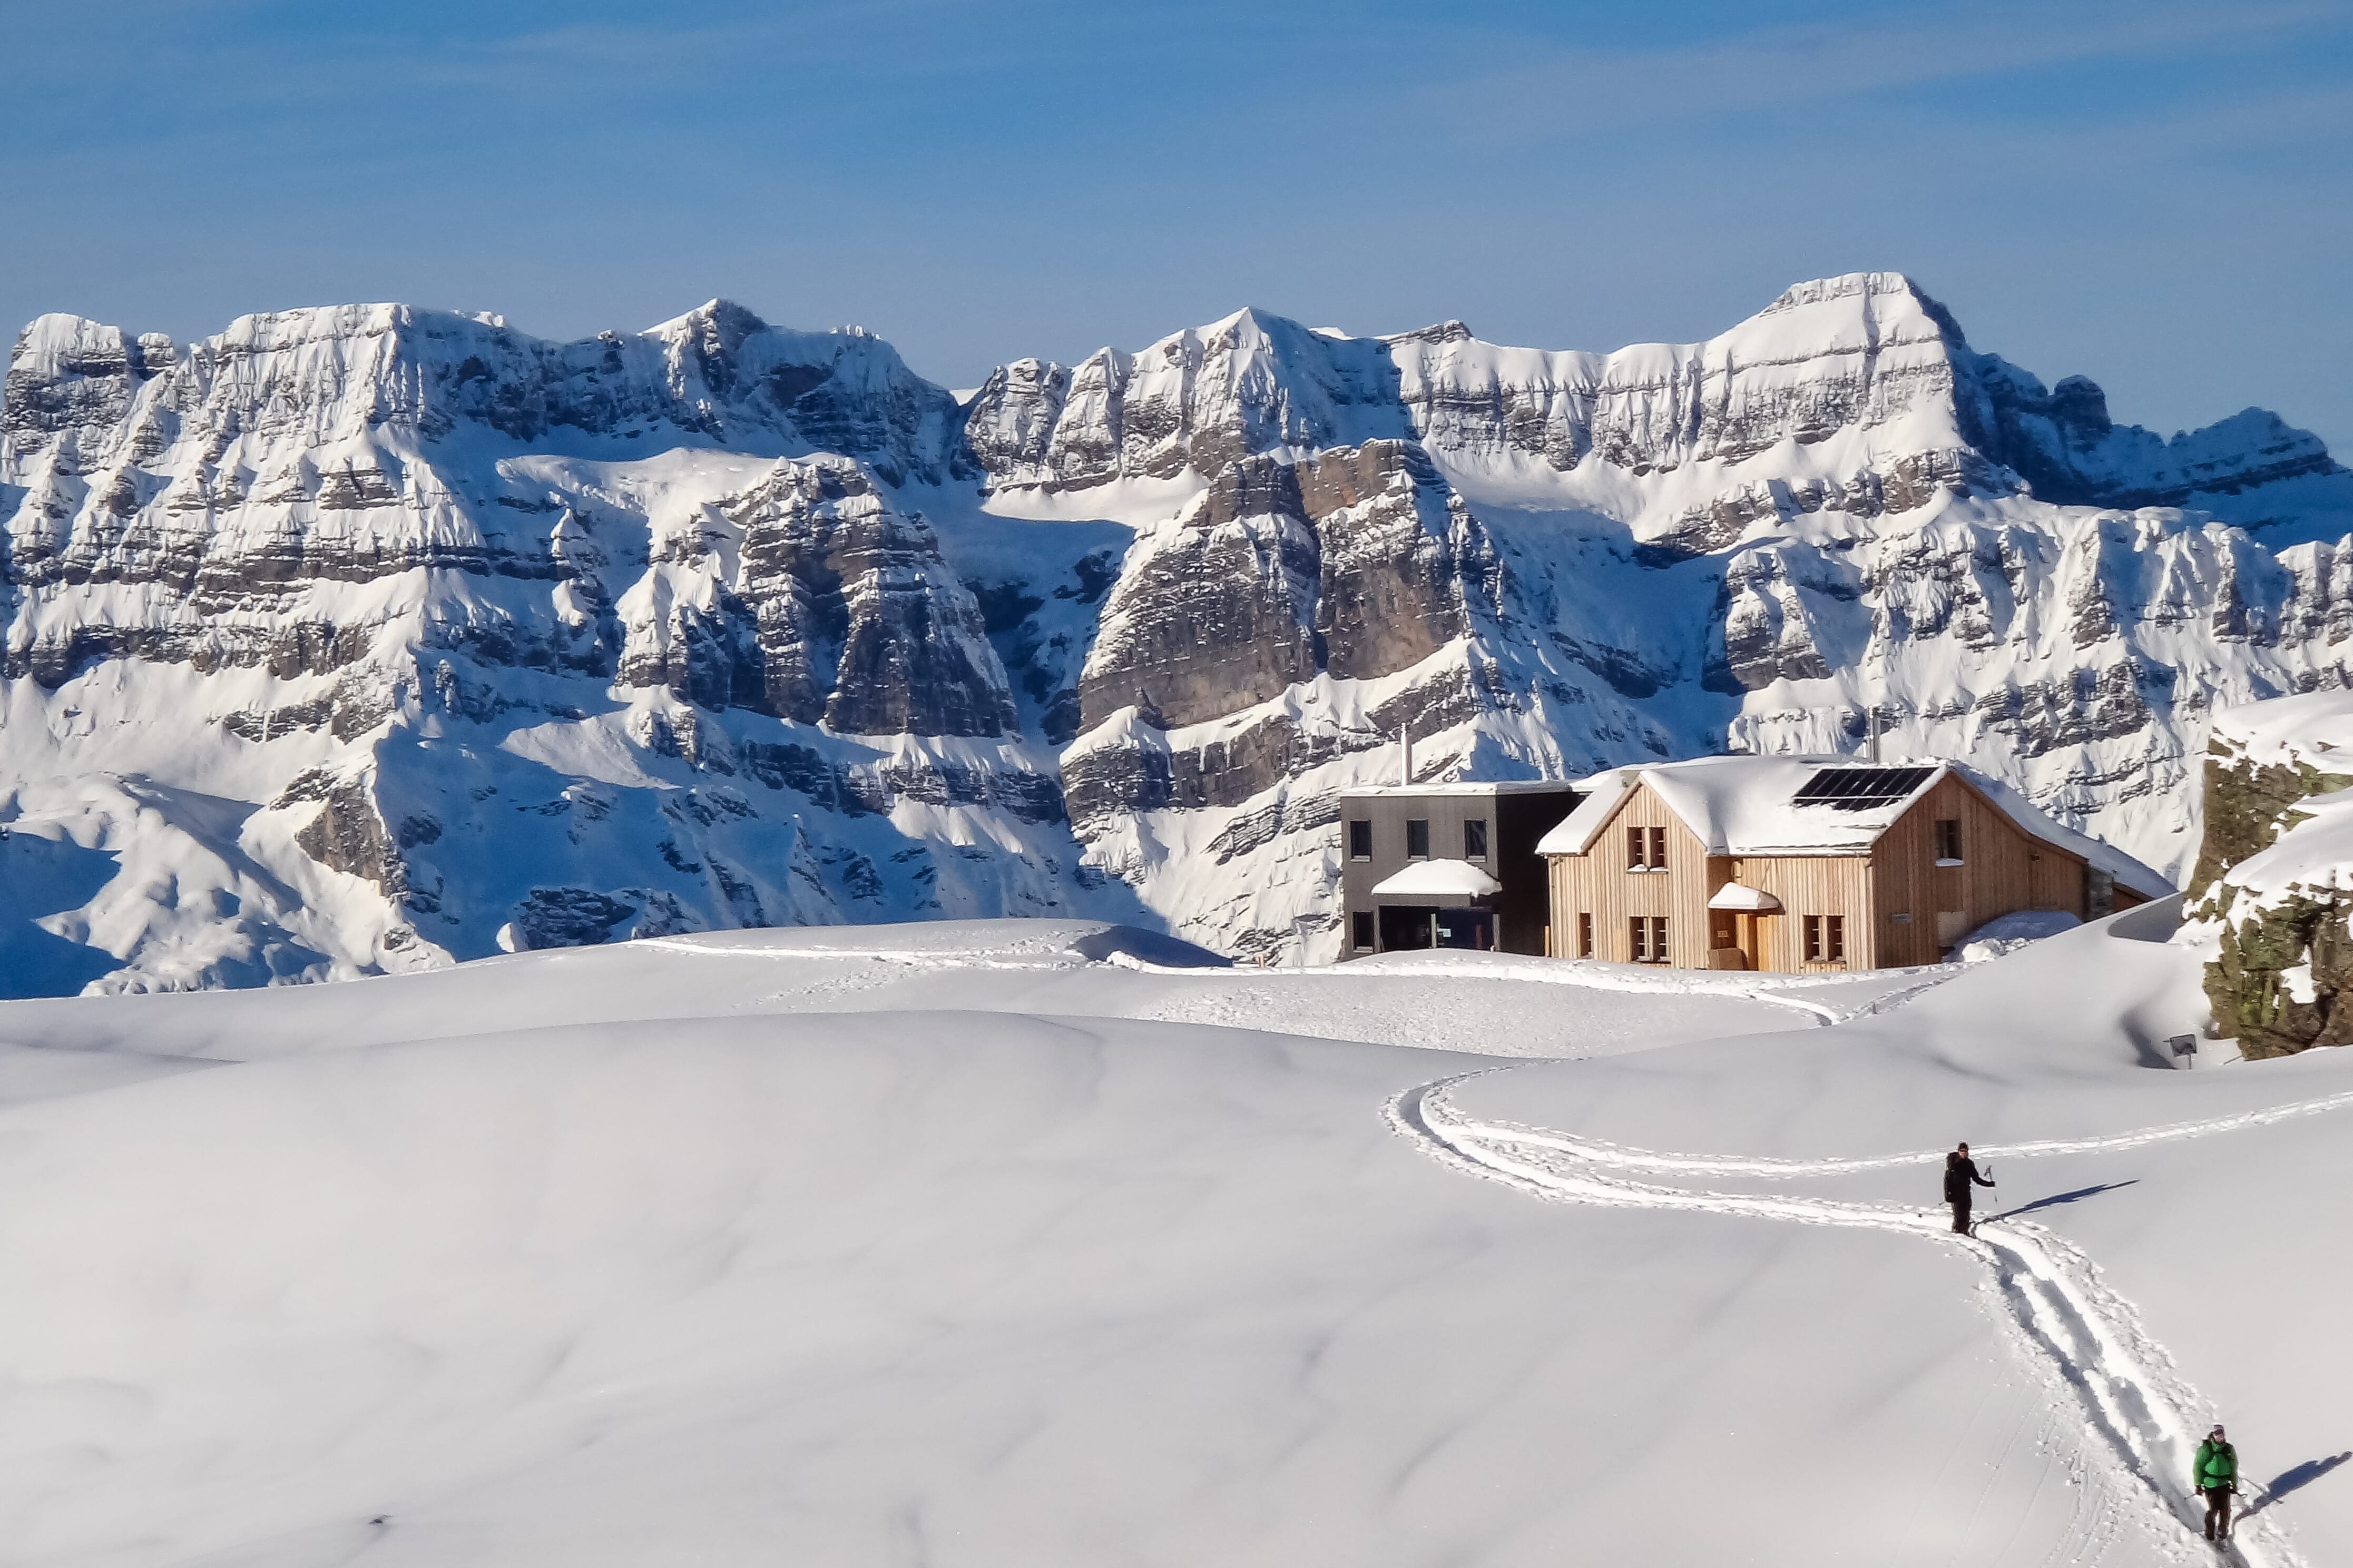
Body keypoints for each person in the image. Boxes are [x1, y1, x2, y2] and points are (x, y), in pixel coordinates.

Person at [2196, 1424, 2239, 1542]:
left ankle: (2223, 1533)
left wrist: (2234, 1483)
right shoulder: (2206, 1449)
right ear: (2213, 1435)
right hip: (2210, 1484)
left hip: (2224, 1484)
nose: (2220, 1437)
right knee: (2213, 1509)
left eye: (2222, 1435)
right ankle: (2210, 1532)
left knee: (2225, 1510)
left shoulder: (2229, 1449)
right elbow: (2198, 1467)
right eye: (2217, 1435)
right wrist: (2198, 1484)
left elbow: (2233, 1467)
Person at [1944, 1142, 1995, 1234]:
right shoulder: (1953, 1163)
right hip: (1955, 1194)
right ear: (1959, 1152)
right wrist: (1948, 1194)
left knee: (1966, 1214)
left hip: (1966, 1193)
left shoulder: (1969, 1164)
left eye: (1966, 1151)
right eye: (1962, 1151)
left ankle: (1964, 1232)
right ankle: (1956, 1234)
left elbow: (1976, 1179)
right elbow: (1947, 1180)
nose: (1964, 1153)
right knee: (1959, 1216)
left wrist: (1989, 1184)